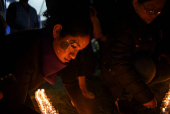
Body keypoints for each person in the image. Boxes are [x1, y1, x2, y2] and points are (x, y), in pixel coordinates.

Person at [0, 0, 93, 114]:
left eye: (79, 50)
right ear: (57, 31)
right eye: (73, 46)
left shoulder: (64, 55)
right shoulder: (28, 53)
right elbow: (15, 106)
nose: (74, 56)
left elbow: (72, 85)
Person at [101, 0, 169, 113]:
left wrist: (162, 52)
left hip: (141, 63)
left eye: (158, 11)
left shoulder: (154, 22)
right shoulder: (122, 25)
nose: (154, 14)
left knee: (166, 68)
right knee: (146, 67)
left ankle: (137, 87)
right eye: (150, 9)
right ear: (135, 3)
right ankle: (123, 98)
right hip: (116, 73)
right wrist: (145, 96)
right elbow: (119, 64)